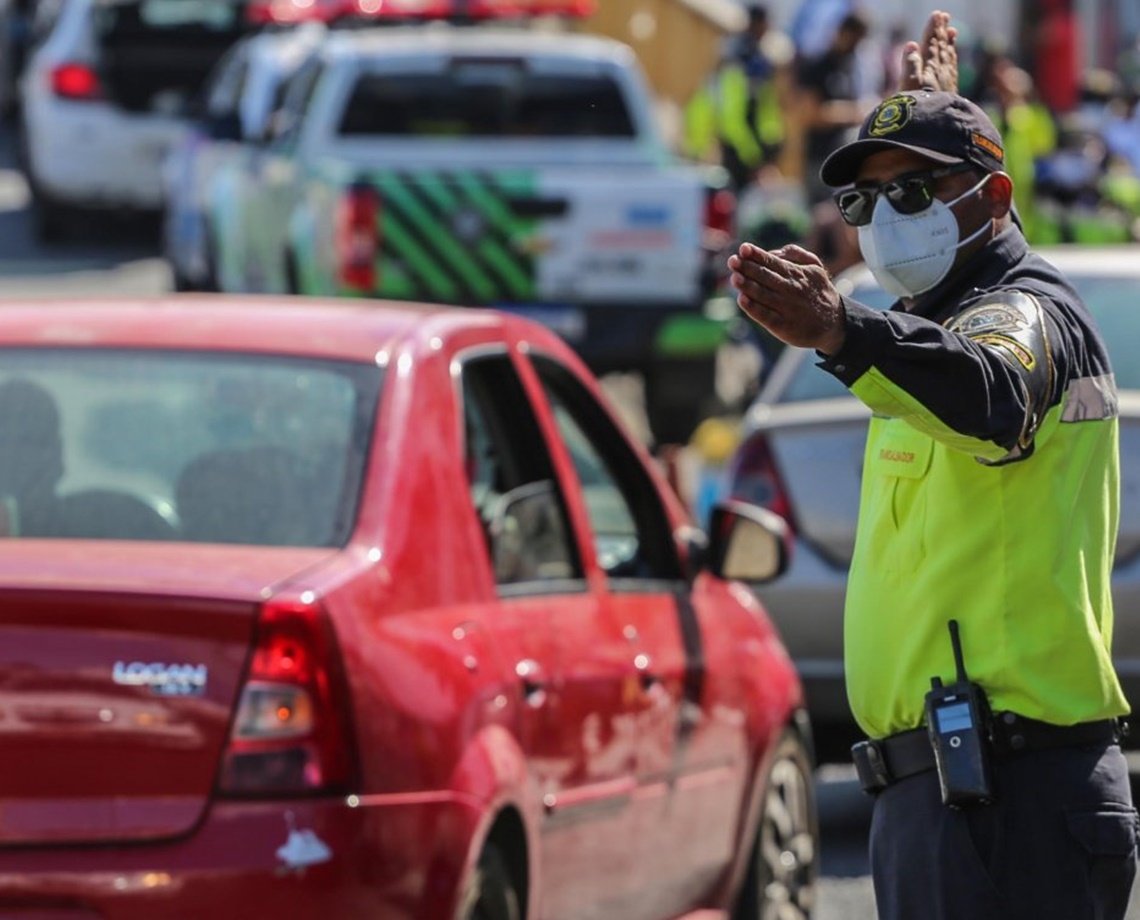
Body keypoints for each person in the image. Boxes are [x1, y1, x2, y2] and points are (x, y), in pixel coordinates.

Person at [727, 9, 1138, 919]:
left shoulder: (1021, 314)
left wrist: (839, 329)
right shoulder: (944, 319)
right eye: (864, 202)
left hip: (1007, 798)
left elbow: (993, 388)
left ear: (989, 200)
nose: (881, 222)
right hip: (946, 798)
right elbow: (966, 303)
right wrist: (944, 116)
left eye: (911, 192)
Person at [682, 3, 794, 188]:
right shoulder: (737, 58)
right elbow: (732, 119)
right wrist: (753, 157)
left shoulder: (756, 56)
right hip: (738, 150)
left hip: (747, 148)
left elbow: (765, 110)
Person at [793, 9, 874, 205]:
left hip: (846, 158)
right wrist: (853, 113)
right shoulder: (817, 66)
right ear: (843, 32)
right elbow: (809, 115)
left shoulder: (850, 67)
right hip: (820, 159)